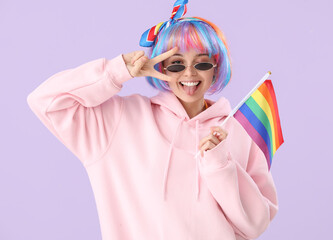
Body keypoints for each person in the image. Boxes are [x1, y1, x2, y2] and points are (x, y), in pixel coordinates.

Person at [27, 0, 278, 239]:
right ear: (162, 67)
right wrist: (117, 71)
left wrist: (220, 165)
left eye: (201, 64)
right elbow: (46, 101)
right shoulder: (121, 120)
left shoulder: (238, 132)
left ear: (216, 66)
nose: (189, 73)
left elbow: (256, 225)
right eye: (177, 64)